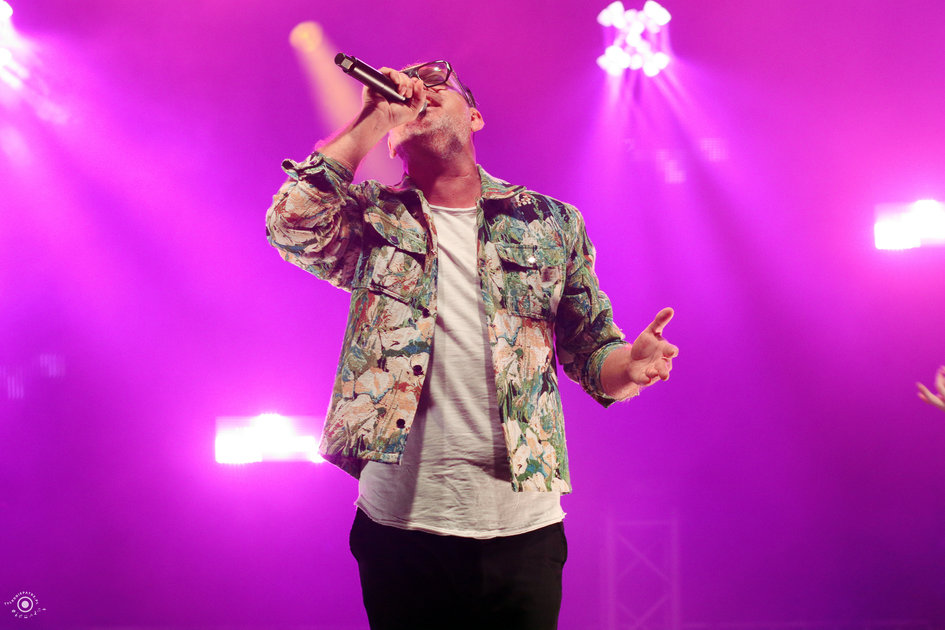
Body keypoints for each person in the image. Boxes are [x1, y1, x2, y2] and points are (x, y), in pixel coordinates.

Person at [265, 59, 679, 630]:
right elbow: (291, 224)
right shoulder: (371, 216)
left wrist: (630, 366)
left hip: (522, 530)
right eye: (411, 86)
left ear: (475, 117)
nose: (421, 90)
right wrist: (373, 118)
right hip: (399, 526)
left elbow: (590, 349)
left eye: (440, 84)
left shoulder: (550, 223)